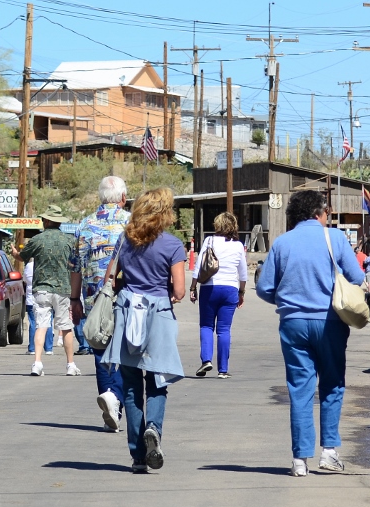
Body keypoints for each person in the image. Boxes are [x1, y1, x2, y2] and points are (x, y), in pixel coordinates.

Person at [255, 190, 364, 476]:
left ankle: (299, 460)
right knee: (332, 384)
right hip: (329, 321)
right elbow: (357, 277)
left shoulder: (282, 243)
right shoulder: (336, 238)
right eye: (326, 211)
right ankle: (329, 451)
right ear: (319, 212)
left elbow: (265, 288)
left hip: (293, 323)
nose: (327, 216)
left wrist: (288, 300)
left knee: (300, 388)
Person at [103, 188, 186, 473]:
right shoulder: (173, 245)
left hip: (127, 313)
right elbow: (179, 290)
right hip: (159, 315)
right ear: (165, 213)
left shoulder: (124, 240)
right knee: (158, 382)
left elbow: (110, 280)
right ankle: (154, 428)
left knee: (130, 386)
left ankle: (138, 456)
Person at [70, 176, 130, 430]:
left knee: (101, 349)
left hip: (96, 297)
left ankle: (110, 401)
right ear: (124, 198)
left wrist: (74, 299)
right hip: (129, 295)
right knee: (128, 351)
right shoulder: (132, 223)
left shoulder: (85, 225)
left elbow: (75, 267)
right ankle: (115, 398)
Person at [13, 206, 80, 378]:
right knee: (65, 327)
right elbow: (76, 264)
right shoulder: (69, 241)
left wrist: (15, 253)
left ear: (48, 221)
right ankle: (70, 365)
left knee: (41, 326)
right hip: (63, 289)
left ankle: (37, 363)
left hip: (42, 288)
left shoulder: (37, 240)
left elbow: (22, 256)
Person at [188, 211, 248, 379]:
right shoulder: (238, 246)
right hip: (230, 290)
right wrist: (241, 292)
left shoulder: (210, 240)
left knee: (206, 326)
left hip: (209, 288)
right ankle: (223, 369)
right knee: (224, 330)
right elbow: (243, 274)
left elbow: (198, 267)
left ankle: (206, 360)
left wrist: (193, 288)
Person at [24, 259, 54, 356]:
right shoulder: (47, 265)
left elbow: (25, 280)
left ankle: (32, 348)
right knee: (47, 321)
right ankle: (48, 348)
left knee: (33, 323)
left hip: (31, 299)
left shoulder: (28, 266)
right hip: (46, 296)